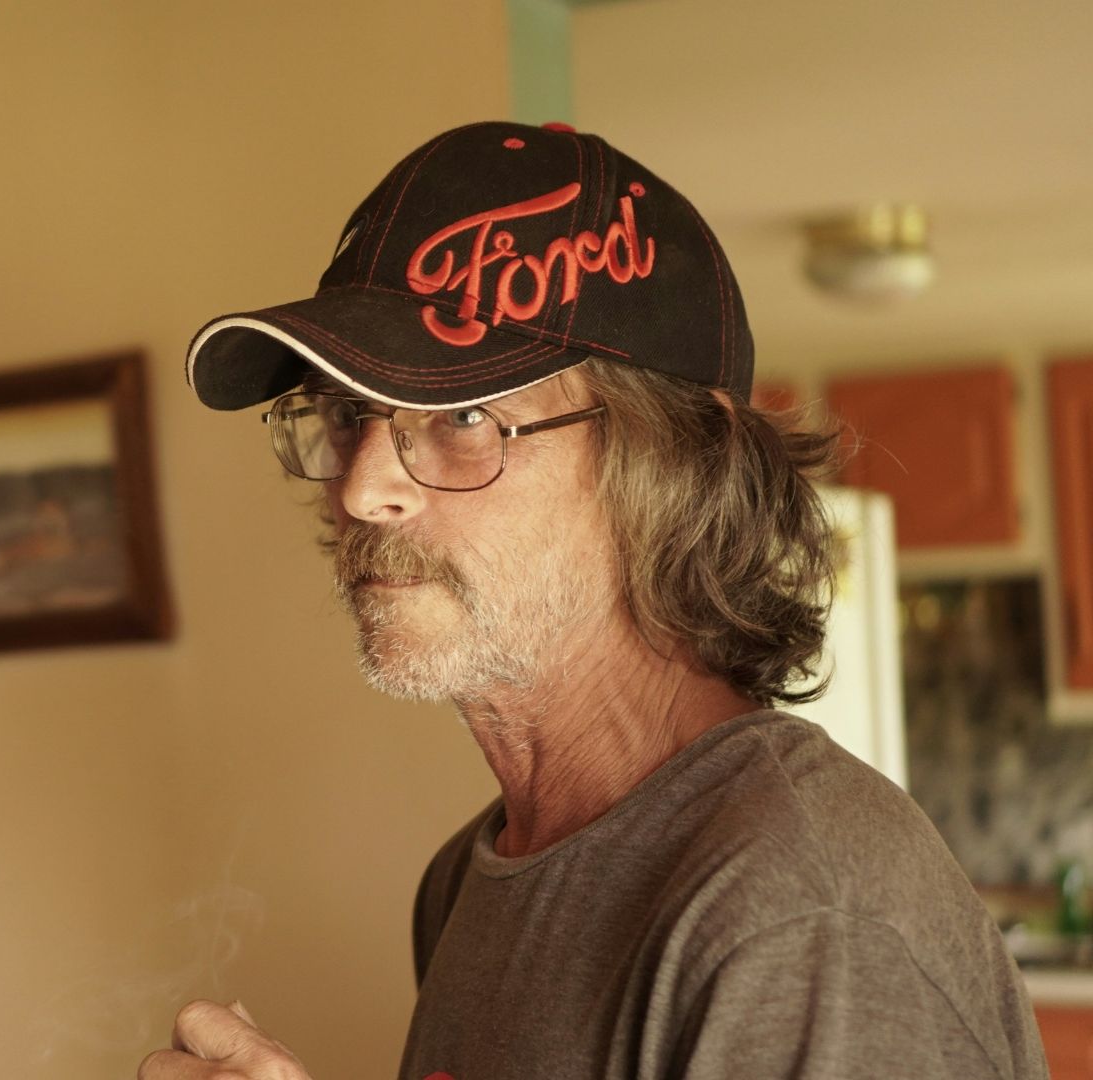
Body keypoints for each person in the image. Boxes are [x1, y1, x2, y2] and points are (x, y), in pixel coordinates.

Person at [138, 120, 1046, 1080]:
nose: (363, 489)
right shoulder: (466, 881)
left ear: (673, 466)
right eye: (346, 413)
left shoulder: (803, 912)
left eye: (465, 416)